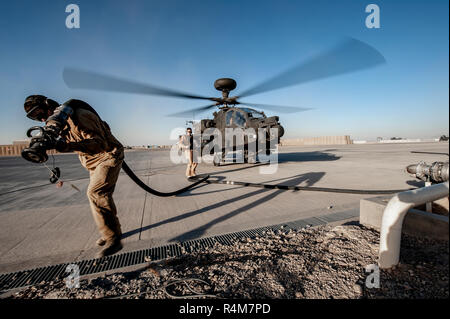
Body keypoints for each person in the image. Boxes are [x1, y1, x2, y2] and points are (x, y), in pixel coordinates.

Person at [24, 95, 124, 257]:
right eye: (35, 118)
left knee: (96, 193)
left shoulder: (79, 115)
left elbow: (100, 144)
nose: (42, 119)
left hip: (108, 156)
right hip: (92, 162)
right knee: (101, 196)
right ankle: (113, 231)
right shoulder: (60, 123)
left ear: (49, 105)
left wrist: (64, 145)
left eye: (41, 113)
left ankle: (113, 238)